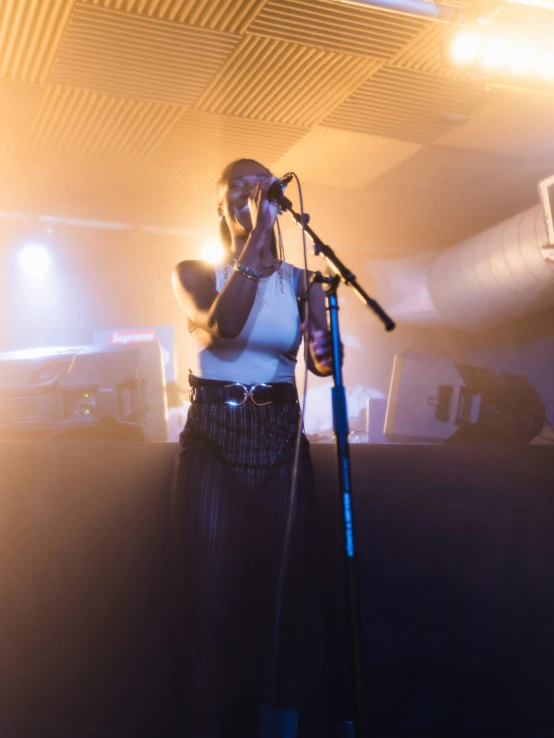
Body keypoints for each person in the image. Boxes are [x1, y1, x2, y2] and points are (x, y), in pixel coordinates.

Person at [170, 158, 336, 738]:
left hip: (280, 439)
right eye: (236, 189)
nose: (250, 194)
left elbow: (323, 361)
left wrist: (322, 312)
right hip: (215, 435)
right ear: (221, 209)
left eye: (259, 185)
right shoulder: (195, 273)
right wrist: (260, 235)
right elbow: (227, 328)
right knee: (214, 601)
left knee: (281, 604)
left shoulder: (300, 281)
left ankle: (275, 730)